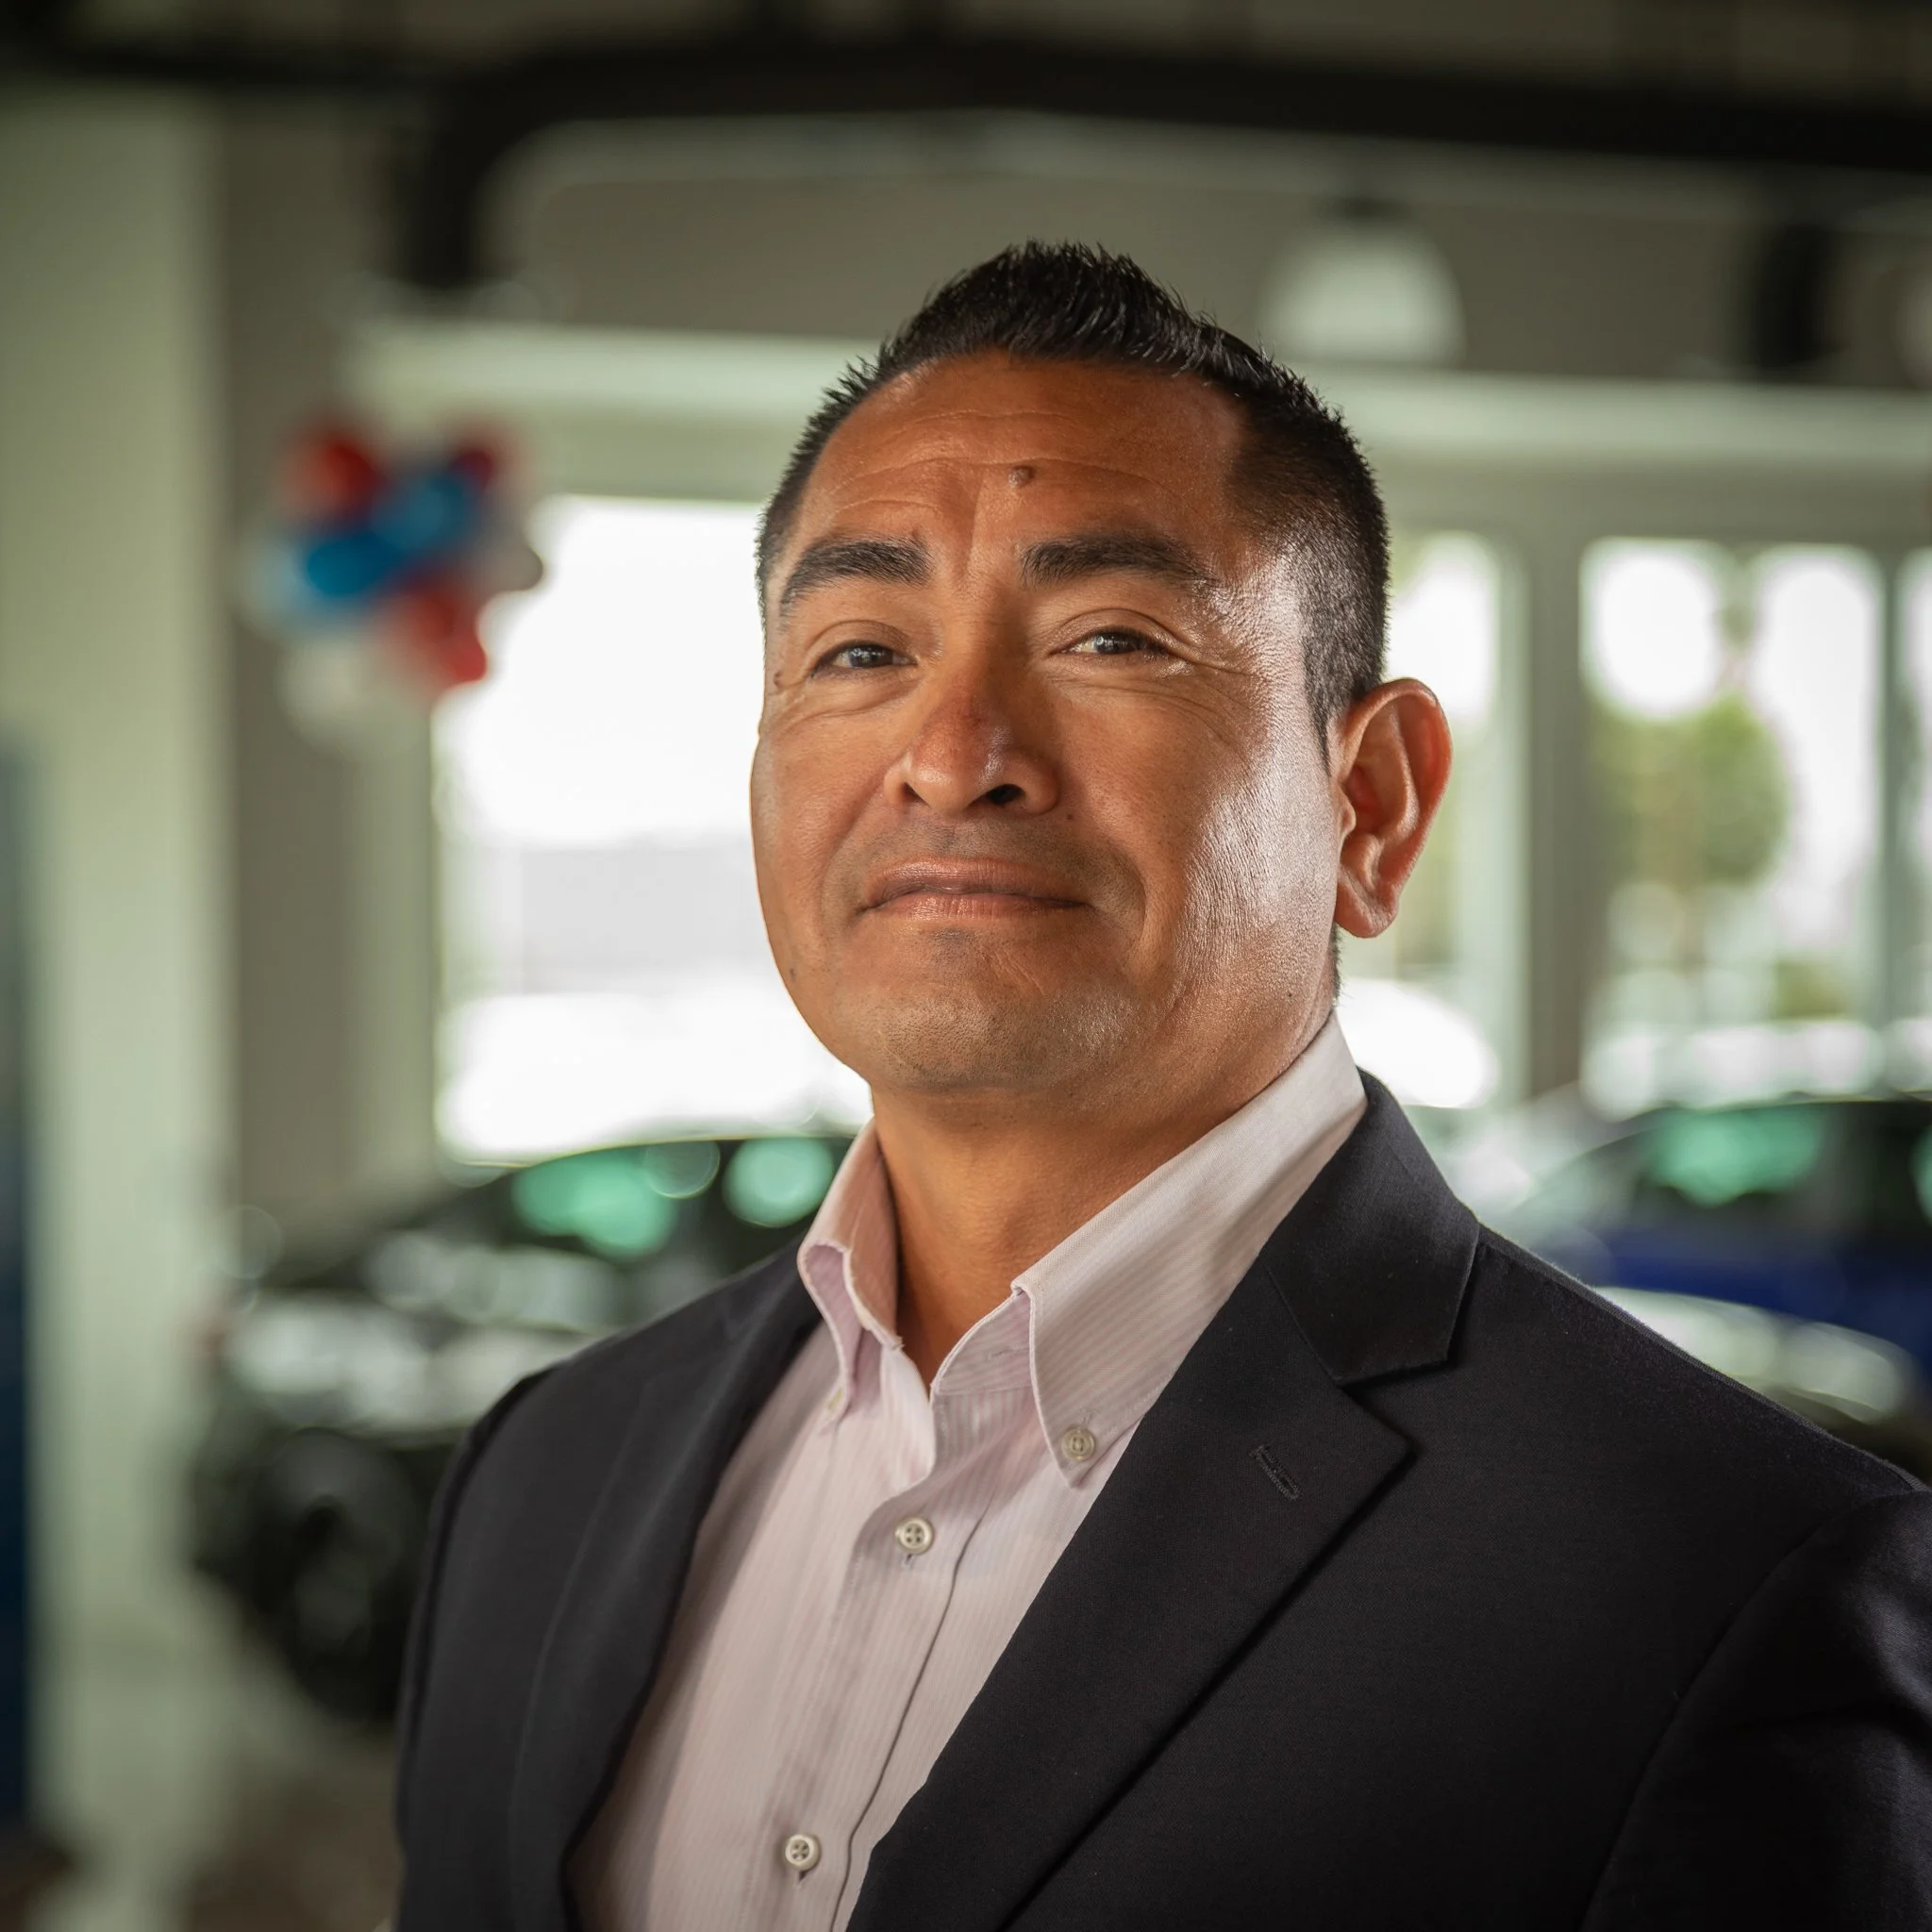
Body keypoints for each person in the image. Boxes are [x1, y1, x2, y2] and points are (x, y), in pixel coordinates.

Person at [393, 244, 1932, 1931]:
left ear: (1374, 805)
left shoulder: (1716, 1578)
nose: (953, 755)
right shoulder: (545, 1472)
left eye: (1112, 636)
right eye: (857, 651)